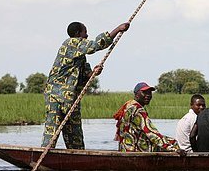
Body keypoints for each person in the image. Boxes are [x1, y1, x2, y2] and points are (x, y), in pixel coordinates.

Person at [42, 21, 130, 149]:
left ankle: (77, 155)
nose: (87, 35)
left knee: (75, 133)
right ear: (78, 34)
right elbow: (96, 45)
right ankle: (46, 153)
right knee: (52, 130)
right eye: (85, 32)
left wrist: (94, 72)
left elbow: (85, 76)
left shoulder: (80, 57)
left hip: (71, 99)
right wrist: (118, 29)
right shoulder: (71, 43)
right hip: (56, 96)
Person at [113, 82, 184, 154]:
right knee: (173, 142)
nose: (148, 95)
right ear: (137, 94)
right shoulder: (138, 109)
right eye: (144, 92)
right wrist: (172, 148)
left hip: (125, 146)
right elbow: (151, 132)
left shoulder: (129, 105)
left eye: (149, 93)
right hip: (135, 148)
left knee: (168, 140)